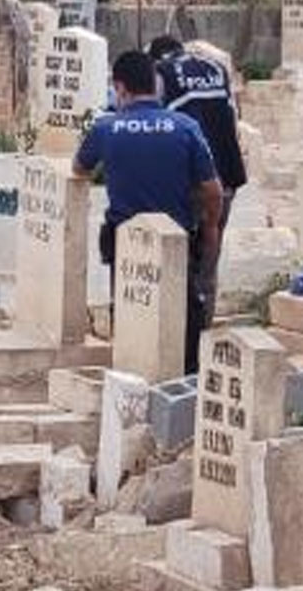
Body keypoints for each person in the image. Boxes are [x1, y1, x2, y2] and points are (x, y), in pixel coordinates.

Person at [73, 50, 223, 374]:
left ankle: (130, 379)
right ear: (155, 86)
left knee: (129, 319)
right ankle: (183, 387)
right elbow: (212, 190)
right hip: (178, 242)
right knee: (181, 323)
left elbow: (80, 168)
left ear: (120, 87)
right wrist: (211, 229)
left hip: (125, 244)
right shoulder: (186, 127)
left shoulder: (106, 129)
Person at [149, 35, 247, 328]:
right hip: (226, 177)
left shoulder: (162, 74)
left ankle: (178, 339)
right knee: (208, 261)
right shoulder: (215, 68)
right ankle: (202, 332)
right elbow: (233, 118)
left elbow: (158, 126)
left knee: (179, 263)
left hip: (189, 182)